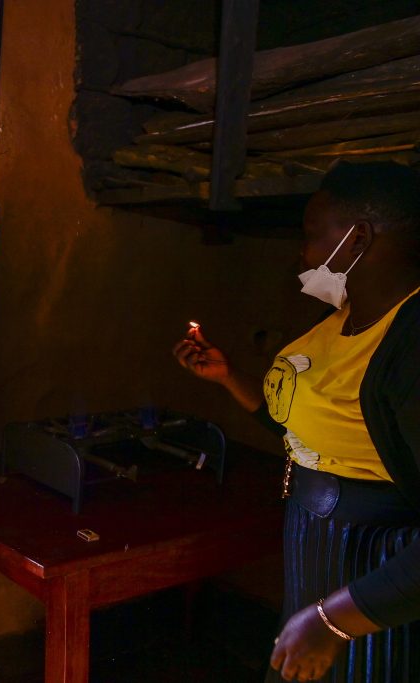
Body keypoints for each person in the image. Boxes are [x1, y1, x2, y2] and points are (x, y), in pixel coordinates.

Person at [174, 161, 420, 683]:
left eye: (312, 236)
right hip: (317, 551)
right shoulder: (340, 322)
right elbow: (312, 432)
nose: (303, 254)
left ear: (356, 240)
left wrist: (336, 621)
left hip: (376, 564)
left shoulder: (410, 342)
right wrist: (229, 378)